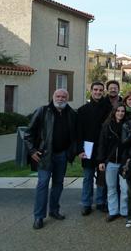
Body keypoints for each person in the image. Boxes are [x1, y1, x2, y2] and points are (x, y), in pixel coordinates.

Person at [24, 89, 78, 229]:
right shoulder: (43, 111)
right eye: (58, 96)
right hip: (45, 155)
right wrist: (32, 150)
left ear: (68, 98)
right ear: (53, 97)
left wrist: (71, 152)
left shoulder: (71, 114)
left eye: (63, 96)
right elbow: (28, 133)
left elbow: (74, 136)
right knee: (43, 185)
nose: (60, 99)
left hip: (62, 155)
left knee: (58, 184)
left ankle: (54, 210)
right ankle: (39, 217)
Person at [77, 82, 112, 216]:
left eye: (100, 90)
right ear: (91, 91)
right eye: (95, 90)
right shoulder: (83, 110)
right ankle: (86, 203)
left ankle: (100, 202)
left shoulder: (108, 108)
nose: (98, 92)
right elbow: (78, 132)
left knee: (102, 176)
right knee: (88, 176)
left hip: (104, 147)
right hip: (88, 147)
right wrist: (80, 149)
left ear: (103, 92)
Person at [97, 104, 129, 222]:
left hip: (123, 162)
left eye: (123, 111)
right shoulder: (107, 126)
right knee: (111, 188)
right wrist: (100, 160)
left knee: (124, 188)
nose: (120, 113)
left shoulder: (127, 126)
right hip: (110, 161)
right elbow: (102, 144)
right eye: (118, 111)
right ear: (114, 112)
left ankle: (124, 211)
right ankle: (113, 211)